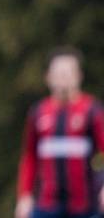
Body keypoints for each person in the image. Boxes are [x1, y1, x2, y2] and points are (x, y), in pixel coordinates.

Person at [15, 47, 104, 218]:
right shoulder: (38, 112)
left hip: (86, 207)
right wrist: (24, 196)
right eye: (58, 73)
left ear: (79, 75)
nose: (64, 77)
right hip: (47, 206)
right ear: (48, 77)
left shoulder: (92, 111)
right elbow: (30, 157)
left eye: (68, 72)